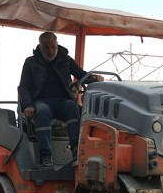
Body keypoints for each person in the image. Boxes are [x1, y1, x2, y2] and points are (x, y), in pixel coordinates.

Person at [17, 31, 101, 167]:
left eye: (53, 47)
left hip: (62, 101)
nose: (50, 51)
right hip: (41, 101)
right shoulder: (30, 62)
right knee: (42, 111)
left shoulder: (66, 60)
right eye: (46, 47)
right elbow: (23, 87)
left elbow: (81, 74)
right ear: (40, 47)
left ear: (57, 44)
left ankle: (76, 151)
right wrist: (28, 105)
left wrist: (94, 78)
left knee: (72, 106)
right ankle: (46, 155)